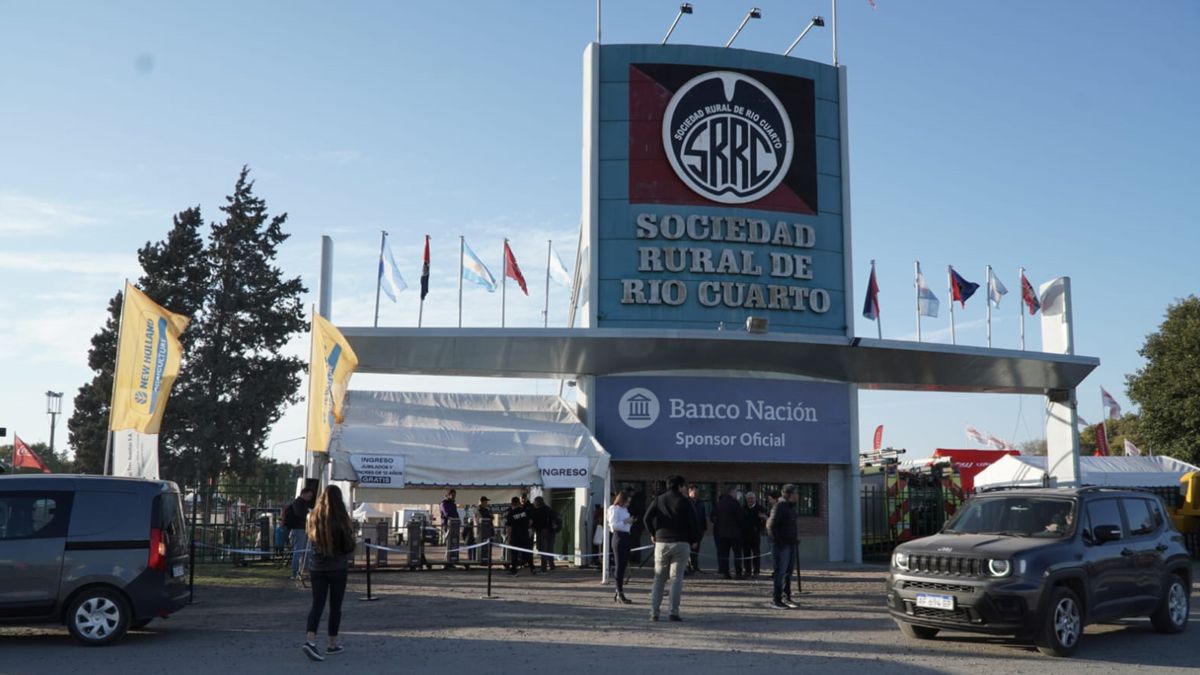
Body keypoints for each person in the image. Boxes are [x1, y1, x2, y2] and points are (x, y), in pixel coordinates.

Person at [301, 485, 356, 662]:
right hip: (338, 567)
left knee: (317, 604)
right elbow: (348, 545)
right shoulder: (341, 518)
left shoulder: (312, 517)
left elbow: (310, 538)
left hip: (317, 567)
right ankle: (332, 643)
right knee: (335, 607)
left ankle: (310, 639)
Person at [644, 475, 701, 622]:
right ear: (680, 486)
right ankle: (673, 612)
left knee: (659, 579)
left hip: (662, 541)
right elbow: (694, 522)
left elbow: (646, 518)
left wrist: (653, 533)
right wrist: (695, 539)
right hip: (681, 543)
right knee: (676, 579)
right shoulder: (686, 501)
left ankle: (654, 612)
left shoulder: (659, 499)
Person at [767, 484, 801, 610]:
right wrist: (779, 542)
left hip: (790, 544)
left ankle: (787, 597)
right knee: (780, 573)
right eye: (796, 493)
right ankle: (776, 600)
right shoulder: (779, 506)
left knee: (788, 573)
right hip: (781, 546)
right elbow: (771, 525)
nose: (798, 495)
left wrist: (794, 540)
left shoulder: (790, 507)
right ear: (790, 494)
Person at [607, 490, 635, 604]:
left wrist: (630, 522)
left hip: (626, 536)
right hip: (618, 537)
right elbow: (613, 525)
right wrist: (625, 521)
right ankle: (619, 592)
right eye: (627, 502)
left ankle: (619, 590)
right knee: (619, 566)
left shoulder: (624, 510)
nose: (628, 504)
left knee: (623, 566)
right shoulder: (614, 509)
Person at [713, 485, 744, 580]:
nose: (736, 494)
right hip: (735, 534)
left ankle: (725, 572)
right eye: (735, 492)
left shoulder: (719, 504)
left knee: (724, 554)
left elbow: (714, 518)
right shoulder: (735, 503)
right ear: (731, 492)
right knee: (737, 554)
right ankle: (738, 573)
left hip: (722, 533)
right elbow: (740, 518)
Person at [283, 487, 315, 580]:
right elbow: (300, 515)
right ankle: (295, 572)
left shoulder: (302, 503)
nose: (310, 498)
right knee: (299, 551)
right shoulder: (298, 503)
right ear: (303, 493)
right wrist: (309, 514)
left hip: (302, 529)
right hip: (299, 529)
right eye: (309, 495)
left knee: (305, 551)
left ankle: (303, 571)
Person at [505, 496, 536, 575]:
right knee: (527, 552)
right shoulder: (525, 511)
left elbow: (509, 527)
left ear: (512, 504)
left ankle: (514, 570)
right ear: (519, 503)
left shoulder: (511, 513)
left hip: (515, 536)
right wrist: (526, 527)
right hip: (524, 535)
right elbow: (531, 521)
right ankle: (532, 568)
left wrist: (509, 537)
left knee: (514, 553)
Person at [741, 492, 768, 576]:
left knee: (756, 553)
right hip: (745, 535)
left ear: (755, 499)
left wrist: (760, 529)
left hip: (755, 534)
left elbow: (765, 521)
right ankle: (748, 571)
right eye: (749, 498)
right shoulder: (742, 508)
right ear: (746, 499)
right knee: (746, 553)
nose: (750, 500)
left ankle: (756, 570)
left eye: (752, 498)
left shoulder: (760, 508)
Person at [530, 496, 556, 571]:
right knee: (550, 549)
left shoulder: (537, 511)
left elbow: (535, 522)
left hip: (542, 532)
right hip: (551, 532)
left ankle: (543, 568)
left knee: (543, 549)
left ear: (538, 502)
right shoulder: (548, 509)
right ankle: (552, 565)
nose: (533, 503)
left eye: (534, 501)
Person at [686, 484, 708, 574]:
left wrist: (704, 528)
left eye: (696, 491)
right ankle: (688, 567)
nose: (695, 493)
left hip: (699, 530)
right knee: (688, 550)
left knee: (696, 550)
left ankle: (694, 567)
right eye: (693, 491)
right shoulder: (686, 502)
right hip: (689, 530)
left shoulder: (700, 503)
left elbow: (703, 516)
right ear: (689, 492)